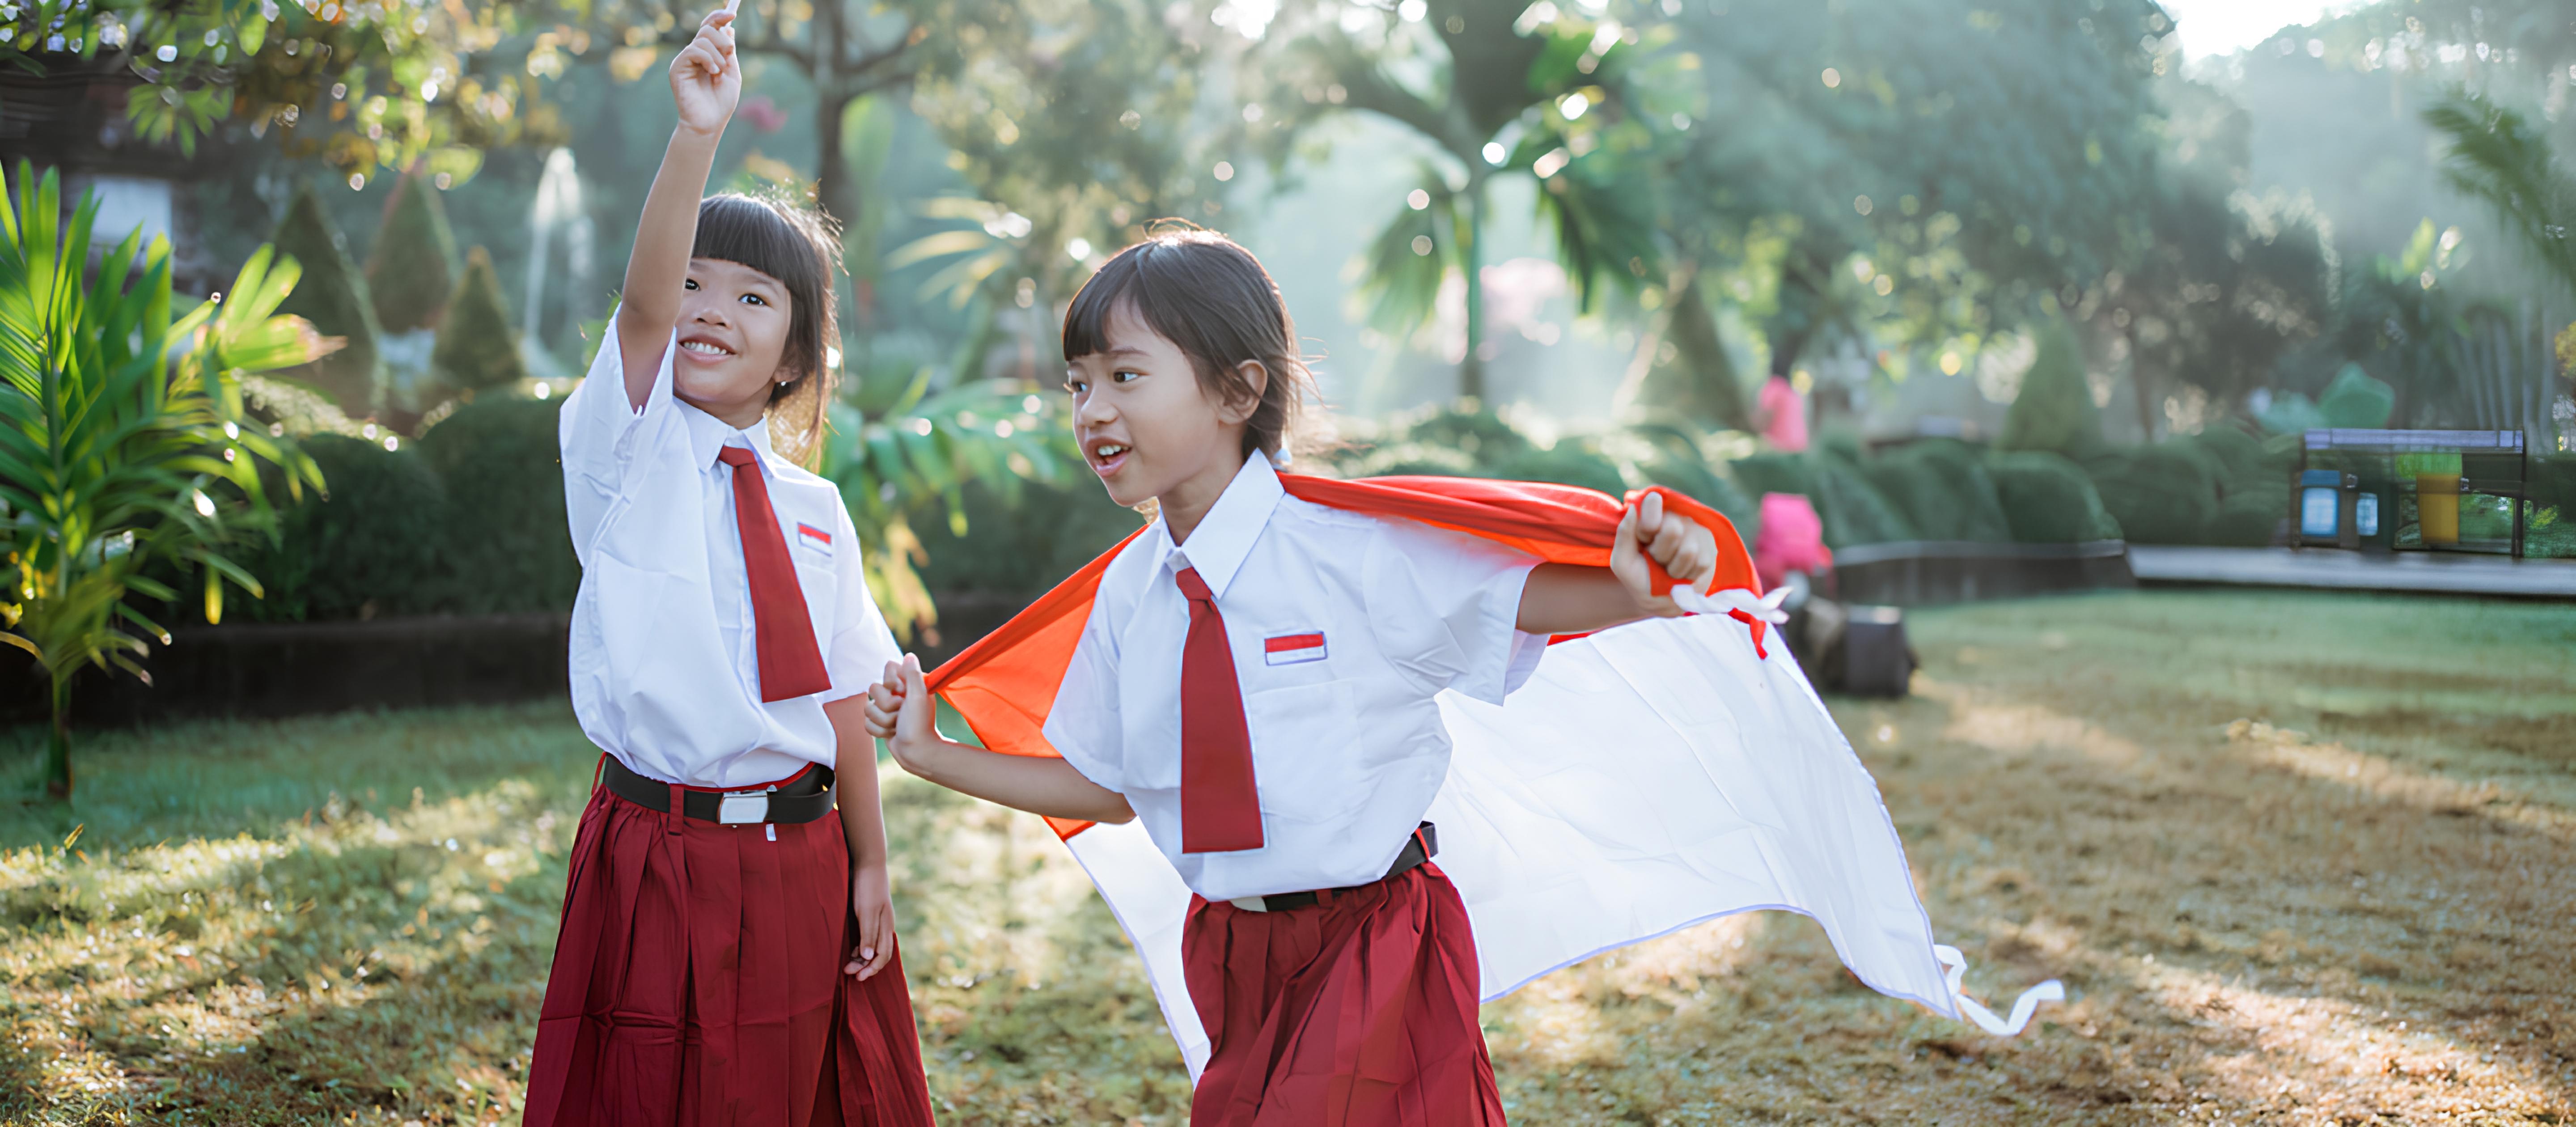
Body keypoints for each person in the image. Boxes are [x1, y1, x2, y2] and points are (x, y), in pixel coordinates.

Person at [870, 230, 2055, 1125]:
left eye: (1125, 376)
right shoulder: (1130, 598)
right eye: (1078, 382)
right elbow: (1109, 784)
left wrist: (1648, 578)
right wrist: (932, 755)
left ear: (1237, 392)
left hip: (1376, 937)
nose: (1091, 409)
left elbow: (1531, 598)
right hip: (1232, 951)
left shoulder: (1351, 552)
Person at [524, 7, 936, 1123]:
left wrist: (871, 865)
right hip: (653, 852)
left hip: (799, 856)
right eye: (699, 283)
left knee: (787, 1095)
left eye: (753, 297)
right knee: (646, 1091)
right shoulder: (626, 451)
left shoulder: (817, 509)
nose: (711, 311)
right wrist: (695, 137)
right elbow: (644, 305)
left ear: (798, 352)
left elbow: (842, 699)